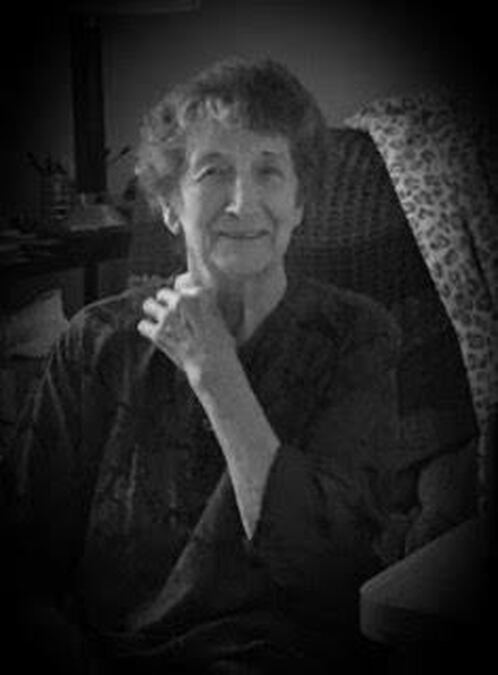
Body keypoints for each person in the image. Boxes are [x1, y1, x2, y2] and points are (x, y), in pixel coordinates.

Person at [1, 57, 401, 674]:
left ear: (299, 204)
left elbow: (329, 571)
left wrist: (216, 374)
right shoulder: (97, 342)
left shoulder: (356, 336)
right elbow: (23, 560)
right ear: (168, 205)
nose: (243, 203)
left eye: (269, 172)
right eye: (214, 172)